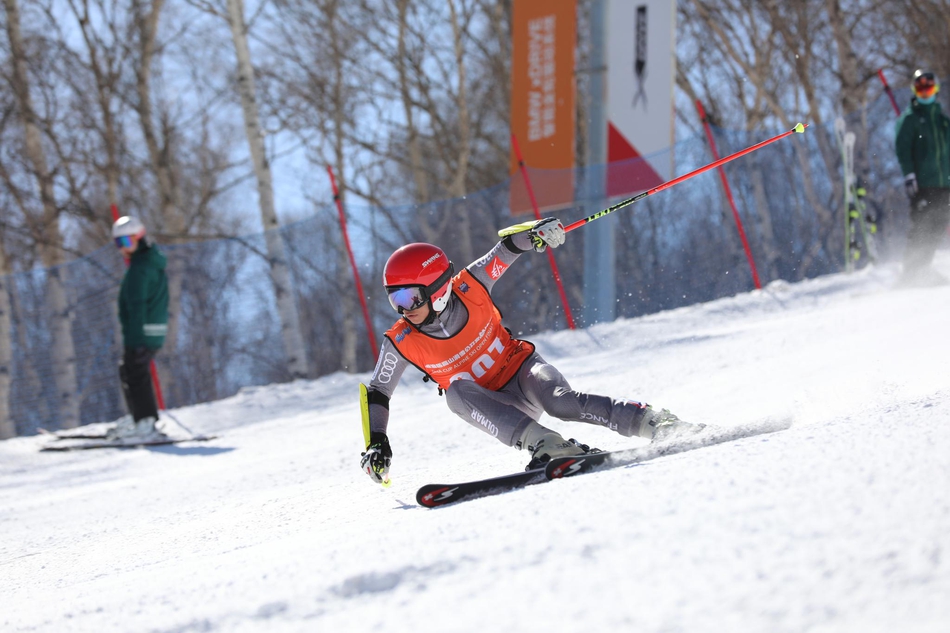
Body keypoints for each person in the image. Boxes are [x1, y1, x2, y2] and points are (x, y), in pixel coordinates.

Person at [359, 218, 702, 485]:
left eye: (409, 298)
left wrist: (537, 233)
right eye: (395, 300)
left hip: (523, 372)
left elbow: (508, 248)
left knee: (563, 403)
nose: (404, 310)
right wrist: (377, 442)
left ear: (438, 290)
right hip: (497, 406)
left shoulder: (471, 285)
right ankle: (548, 445)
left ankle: (652, 421)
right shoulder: (400, 340)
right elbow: (378, 391)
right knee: (456, 392)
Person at [109, 216, 169, 438]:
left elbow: (137, 307)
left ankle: (145, 421)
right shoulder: (147, 262)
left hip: (142, 332)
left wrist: (134, 340)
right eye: (118, 243)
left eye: (125, 241)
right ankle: (140, 418)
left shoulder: (141, 268)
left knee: (135, 371)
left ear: (139, 237)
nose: (122, 248)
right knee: (130, 370)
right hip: (150, 330)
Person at [895, 69, 950, 286]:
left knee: (939, 225)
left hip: (945, 183)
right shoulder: (910, 119)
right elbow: (902, 149)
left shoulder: (943, 121)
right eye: (921, 89)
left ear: (936, 89)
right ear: (914, 91)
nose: (925, 93)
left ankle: (923, 270)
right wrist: (909, 175)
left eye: (929, 88)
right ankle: (910, 273)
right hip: (923, 184)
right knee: (922, 225)